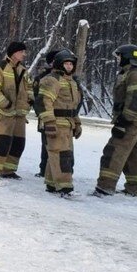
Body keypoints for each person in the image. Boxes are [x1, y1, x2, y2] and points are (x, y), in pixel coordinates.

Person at [94, 44, 137, 197]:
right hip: (132, 121)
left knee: (113, 152)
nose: (118, 59)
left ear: (127, 56)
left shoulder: (136, 74)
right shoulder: (131, 72)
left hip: (129, 122)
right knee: (134, 155)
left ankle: (105, 187)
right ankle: (136, 188)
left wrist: (123, 121)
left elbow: (136, 100)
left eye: (120, 56)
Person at [0, 41, 32, 179]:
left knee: (18, 144)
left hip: (20, 115)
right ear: (14, 52)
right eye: (22, 52)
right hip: (5, 114)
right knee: (2, 142)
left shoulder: (22, 69)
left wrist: (29, 102)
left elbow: (29, 88)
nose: (24, 54)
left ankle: (9, 170)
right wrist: (6, 104)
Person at [37, 50, 82, 197]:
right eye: (66, 63)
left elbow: (73, 106)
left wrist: (77, 123)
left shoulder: (72, 82)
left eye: (71, 64)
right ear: (59, 64)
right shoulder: (52, 80)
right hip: (56, 123)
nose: (69, 66)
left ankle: (51, 184)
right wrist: (49, 122)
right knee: (62, 155)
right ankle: (64, 187)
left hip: (68, 124)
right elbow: (44, 102)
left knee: (57, 154)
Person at [32, 49, 63, 177]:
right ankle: (44, 169)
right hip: (46, 119)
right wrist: (44, 115)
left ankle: (62, 171)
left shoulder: (69, 79)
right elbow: (37, 99)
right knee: (47, 144)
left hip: (64, 119)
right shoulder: (42, 78)